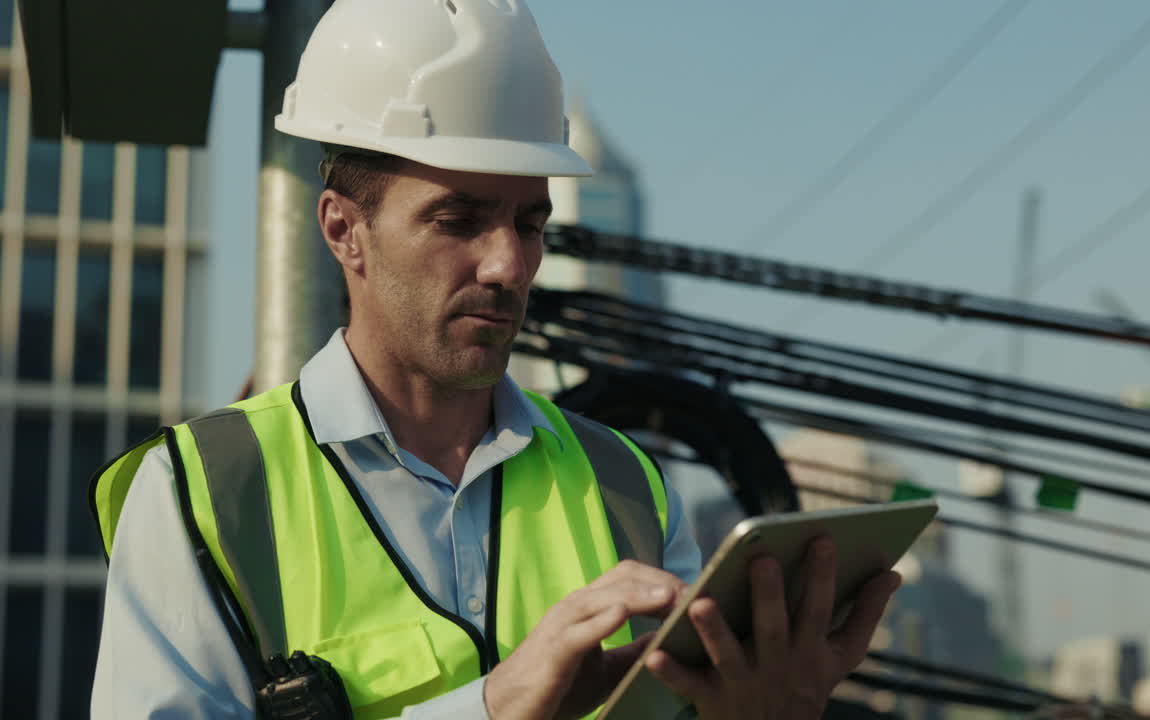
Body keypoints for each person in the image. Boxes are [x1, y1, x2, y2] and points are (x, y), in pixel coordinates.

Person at [88, 1, 901, 718]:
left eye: (529, 223)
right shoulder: (197, 499)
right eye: (458, 219)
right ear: (343, 230)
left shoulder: (627, 488)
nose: (508, 264)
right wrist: (492, 706)